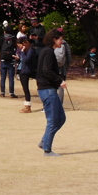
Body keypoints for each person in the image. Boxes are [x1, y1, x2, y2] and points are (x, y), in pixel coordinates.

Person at [36, 28, 67, 156]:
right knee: (53, 120)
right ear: (54, 39)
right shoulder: (48, 52)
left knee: (61, 118)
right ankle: (47, 150)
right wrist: (59, 81)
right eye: (60, 39)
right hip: (47, 90)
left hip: (48, 89)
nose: (62, 42)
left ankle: (44, 141)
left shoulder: (47, 51)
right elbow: (46, 70)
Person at [17, 37, 38, 112]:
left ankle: (28, 106)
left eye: (21, 45)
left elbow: (26, 60)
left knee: (26, 89)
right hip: (22, 70)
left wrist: (22, 52)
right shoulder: (25, 50)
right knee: (24, 88)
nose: (20, 47)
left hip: (27, 70)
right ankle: (27, 104)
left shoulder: (31, 50)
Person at [0, 31, 17, 98]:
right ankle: (11, 93)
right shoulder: (13, 38)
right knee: (11, 78)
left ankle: (2, 92)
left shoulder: (2, 38)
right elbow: (16, 46)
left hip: (3, 60)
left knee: (3, 78)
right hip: (11, 60)